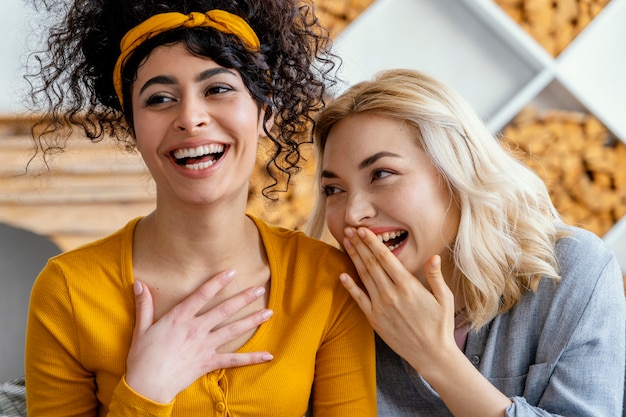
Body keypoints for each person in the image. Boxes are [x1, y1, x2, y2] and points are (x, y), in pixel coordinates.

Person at [23, 1, 376, 416]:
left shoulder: (328, 282)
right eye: (159, 98)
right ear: (133, 129)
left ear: (265, 113)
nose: (190, 118)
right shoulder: (67, 291)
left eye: (218, 89)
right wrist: (145, 389)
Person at [307, 68, 625, 416]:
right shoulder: (330, 304)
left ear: (456, 171)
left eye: (381, 174)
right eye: (333, 190)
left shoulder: (572, 271)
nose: (353, 214)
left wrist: (436, 357)